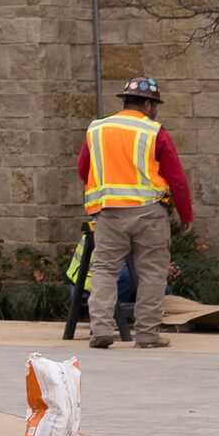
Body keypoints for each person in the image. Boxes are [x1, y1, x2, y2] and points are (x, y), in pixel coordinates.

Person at [79, 77, 195, 349]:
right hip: (149, 214)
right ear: (147, 103)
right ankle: (147, 335)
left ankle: (101, 331)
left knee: (105, 270)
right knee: (153, 272)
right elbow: (176, 178)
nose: (154, 111)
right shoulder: (154, 132)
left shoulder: (97, 129)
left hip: (108, 214)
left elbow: (84, 170)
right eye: (154, 105)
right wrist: (186, 214)